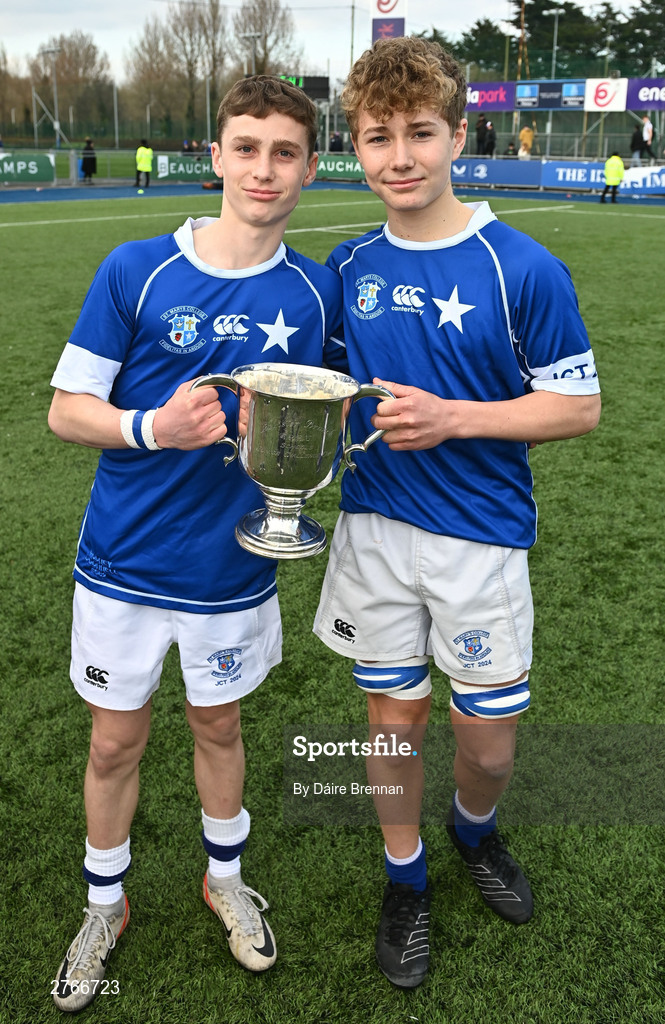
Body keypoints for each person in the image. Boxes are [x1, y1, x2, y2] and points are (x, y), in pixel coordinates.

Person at [48, 74, 343, 1013]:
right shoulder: (136, 269)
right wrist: (148, 429)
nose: (264, 169)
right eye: (246, 148)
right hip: (126, 560)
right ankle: (104, 904)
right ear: (214, 157)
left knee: (219, 725)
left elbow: (326, 423)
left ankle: (224, 881)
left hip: (232, 561)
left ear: (307, 167)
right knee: (113, 741)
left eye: (284, 152)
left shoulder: (317, 290)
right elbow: (66, 411)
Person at [313, 36, 601, 990]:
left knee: (485, 740)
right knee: (391, 723)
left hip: (480, 543)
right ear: (355, 146)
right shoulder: (345, 265)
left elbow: (577, 405)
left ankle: (472, 831)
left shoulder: (522, 266)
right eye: (377, 137)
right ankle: (406, 879)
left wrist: (454, 419)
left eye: (420, 133)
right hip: (374, 535)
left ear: (458, 135)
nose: (399, 157)